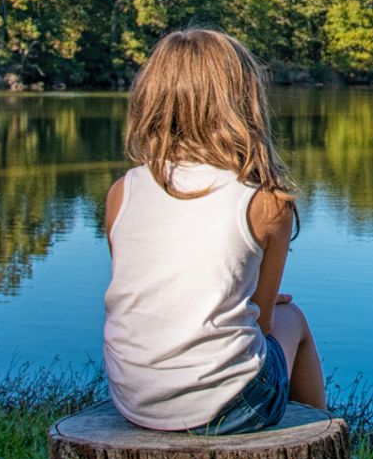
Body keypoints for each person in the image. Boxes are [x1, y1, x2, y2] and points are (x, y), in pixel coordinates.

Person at [102, 28, 325, 433]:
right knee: (292, 317)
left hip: (132, 396)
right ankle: (318, 435)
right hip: (230, 405)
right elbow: (262, 325)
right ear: (244, 103)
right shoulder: (267, 202)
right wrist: (263, 304)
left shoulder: (123, 191)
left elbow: (149, 290)